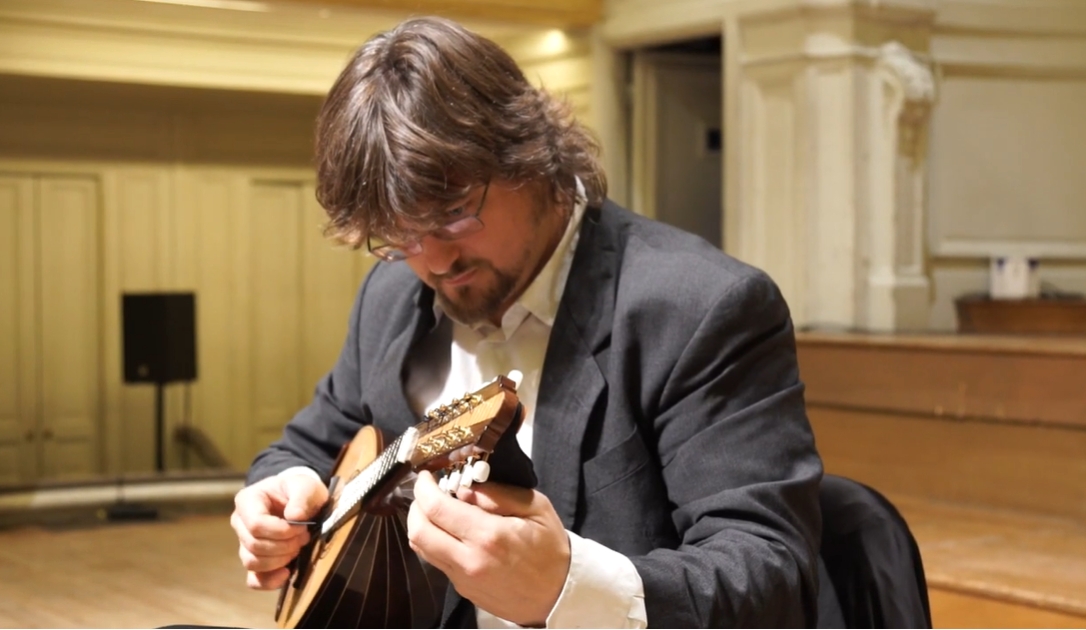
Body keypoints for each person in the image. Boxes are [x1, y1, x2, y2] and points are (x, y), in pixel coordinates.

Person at [230, 15, 823, 629]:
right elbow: (307, 444)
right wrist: (278, 491)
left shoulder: (702, 308)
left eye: (454, 216)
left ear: (532, 155)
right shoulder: (390, 294)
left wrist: (570, 586)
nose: (433, 262)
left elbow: (771, 574)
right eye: (398, 237)